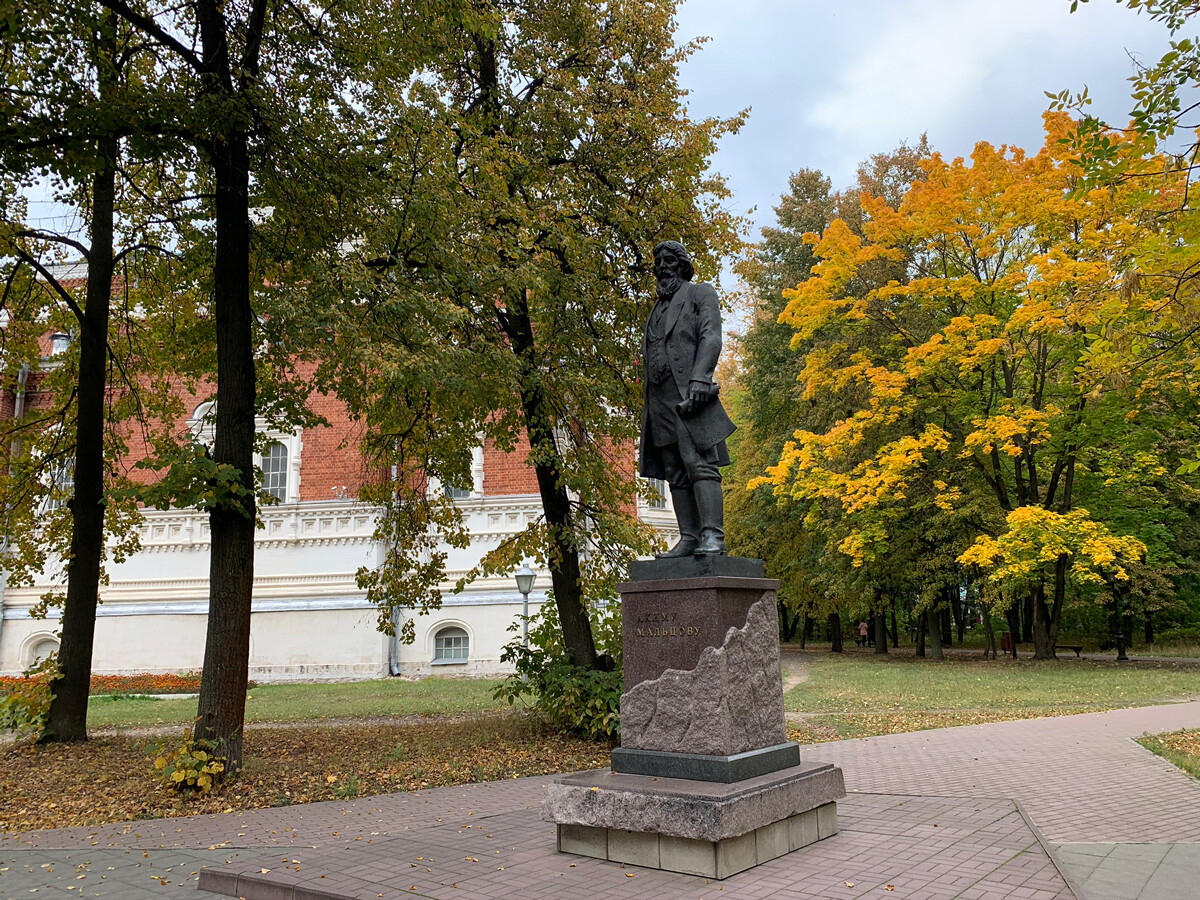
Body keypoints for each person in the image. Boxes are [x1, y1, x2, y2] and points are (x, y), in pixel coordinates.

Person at [638, 240, 736, 557]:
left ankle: (713, 536)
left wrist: (700, 378)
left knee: (699, 465)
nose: (662, 266)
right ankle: (690, 537)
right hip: (659, 401)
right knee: (675, 472)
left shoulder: (699, 294)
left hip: (687, 394)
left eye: (668, 260)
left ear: (681, 264)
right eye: (658, 262)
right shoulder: (656, 308)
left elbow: (711, 335)